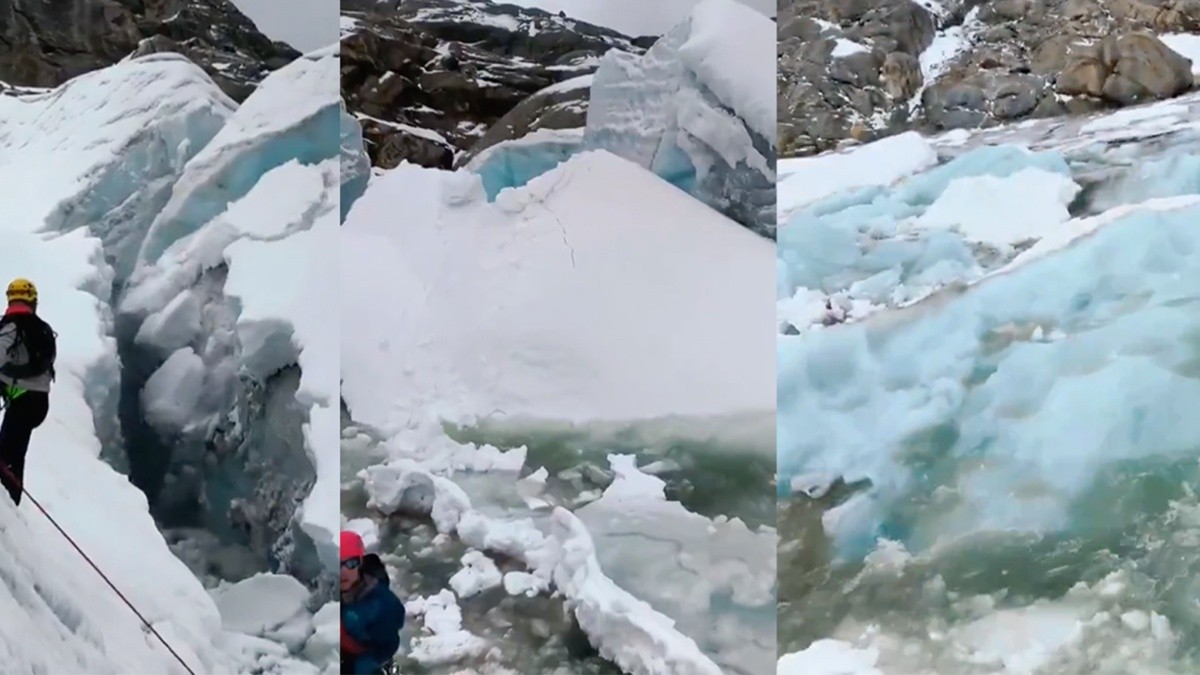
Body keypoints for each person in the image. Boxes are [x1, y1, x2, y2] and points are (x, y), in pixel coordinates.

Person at [0, 279, 55, 506]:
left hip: (22, 401)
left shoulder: (11, 328)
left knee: (5, 457)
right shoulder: (42, 328)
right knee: (14, 454)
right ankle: (10, 503)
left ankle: (8, 506)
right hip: (37, 401)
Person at [341, 530, 405, 675]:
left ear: (360, 564)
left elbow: (389, 644)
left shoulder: (382, 604)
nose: (343, 572)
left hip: (365, 659)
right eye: (338, 564)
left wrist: (368, 662)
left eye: (351, 563)